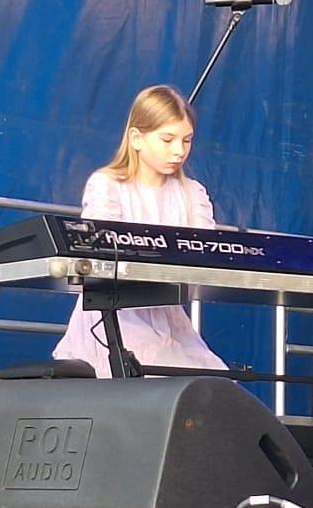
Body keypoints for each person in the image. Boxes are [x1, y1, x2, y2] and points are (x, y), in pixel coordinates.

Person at [49, 84, 228, 377]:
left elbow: (204, 254)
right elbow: (101, 252)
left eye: (187, 140)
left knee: (211, 384)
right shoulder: (107, 185)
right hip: (114, 313)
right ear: (136, 138)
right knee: (148, 379)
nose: (179, 151)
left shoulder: (192, 193)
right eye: (167, 139)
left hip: (167, 316)